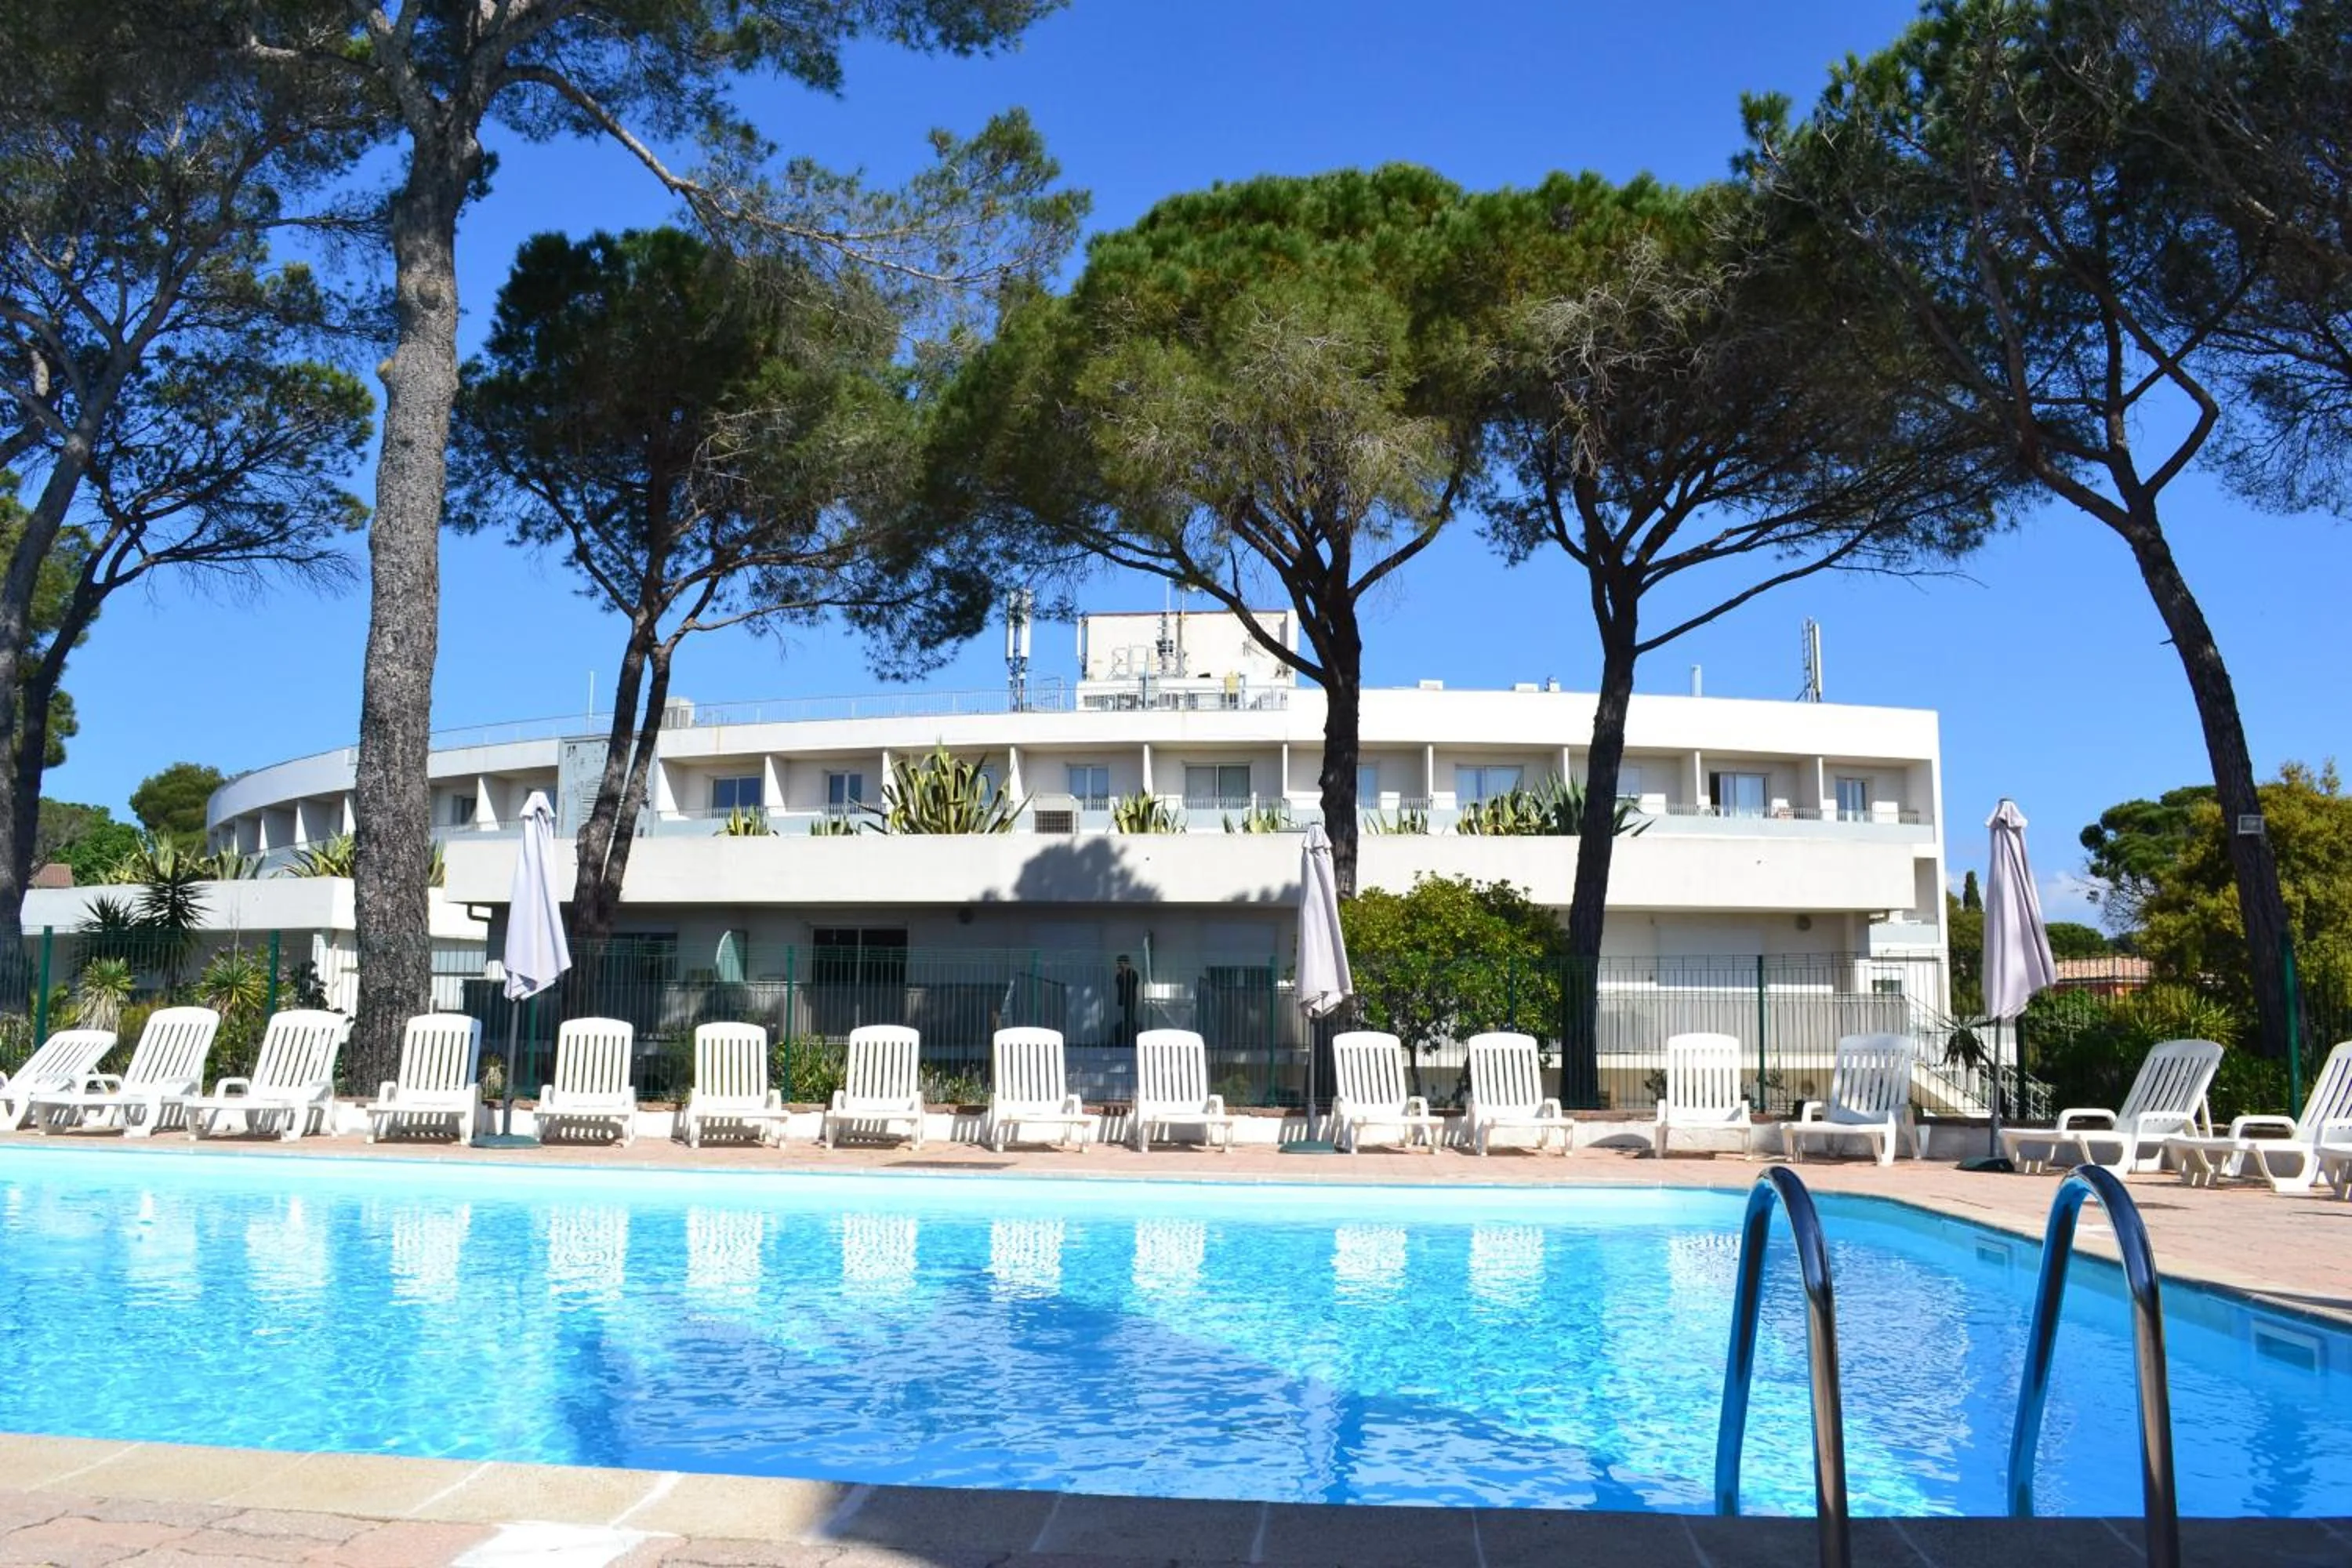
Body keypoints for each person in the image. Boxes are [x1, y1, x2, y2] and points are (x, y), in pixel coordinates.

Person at [1113, 954, 1140, 1048]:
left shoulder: (1133, 974)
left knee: (1129, 1017)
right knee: (1125, 1018)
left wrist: (1124, 974)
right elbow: (1118, 983)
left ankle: (1129, 1039)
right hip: (1123, 1000)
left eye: (1121, 963)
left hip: (1130, 999)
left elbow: (1132, 984)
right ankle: (1125, 1039)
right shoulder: (1120, 975)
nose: (1119, 966)